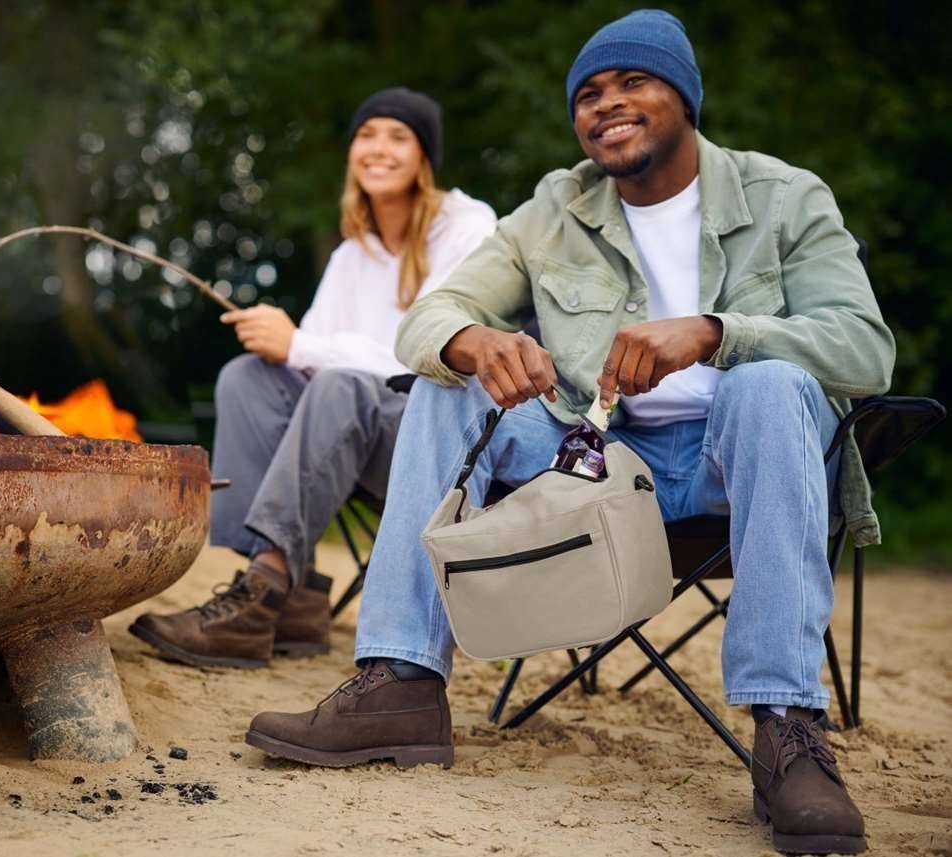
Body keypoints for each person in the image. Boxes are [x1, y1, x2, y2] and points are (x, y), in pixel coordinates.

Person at [245, 11, 893, 856]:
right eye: (588, 93)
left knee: (770, 385)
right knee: (446, 384)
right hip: (590, 464)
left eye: (633, 82)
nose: (607, 104)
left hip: (731, 462)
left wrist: (711, 331)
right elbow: (427, 318)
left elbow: (865, 347)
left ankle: (786, 728)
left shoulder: (784, 195)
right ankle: (400, 677)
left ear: (686, 98)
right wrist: (473, 341)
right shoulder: (555, 207)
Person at [131, 88, 497, 670]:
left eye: (398, 137)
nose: (379, 149)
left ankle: (259, 598)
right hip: (350, 436)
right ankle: (292, 594)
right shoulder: (352, 254)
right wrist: (285, 348)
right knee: (248, 376)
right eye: (367, 136)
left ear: (425, 157)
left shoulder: (468, 228)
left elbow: (436, 354)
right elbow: (308, 362)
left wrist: (299, 342)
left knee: (339, 386)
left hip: (437, 437)